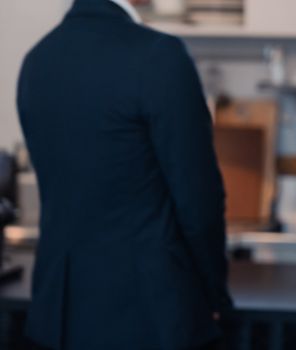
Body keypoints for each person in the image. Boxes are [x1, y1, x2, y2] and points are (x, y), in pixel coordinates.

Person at [16, 0, 231, 348]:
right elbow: (199, 200)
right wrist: (215, 294)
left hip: (58, 316)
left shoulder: (37, 60)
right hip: (149, 316)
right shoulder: (158, 55)